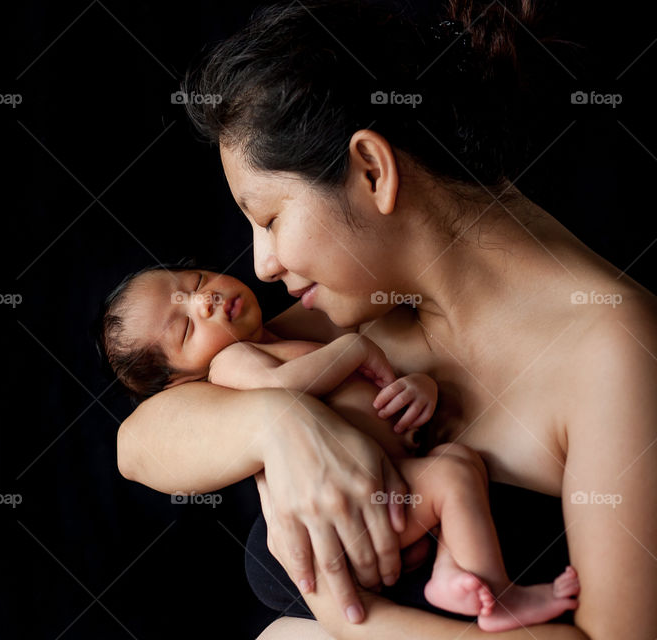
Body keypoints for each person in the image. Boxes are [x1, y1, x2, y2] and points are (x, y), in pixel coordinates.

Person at [115, 1, 657, 637]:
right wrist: (277, 427)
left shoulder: (613, 352)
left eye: (270, 219)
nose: (261, 264)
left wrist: (343, 619)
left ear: (372, 170)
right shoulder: (375, 303)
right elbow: (138, 443)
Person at [100, 265, 581, 630]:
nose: (202, 300)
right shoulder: (233, 362)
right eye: (184, 327)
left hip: (392, 473)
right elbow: (283, 386)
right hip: (356, 507)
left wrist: (419, 388)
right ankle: (498, 595)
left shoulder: (288, 333)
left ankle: (454, 571)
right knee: (454, 477)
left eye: (196, 279)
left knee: (458, 462)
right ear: (183, 379)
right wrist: (353, 349)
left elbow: (375, 392)